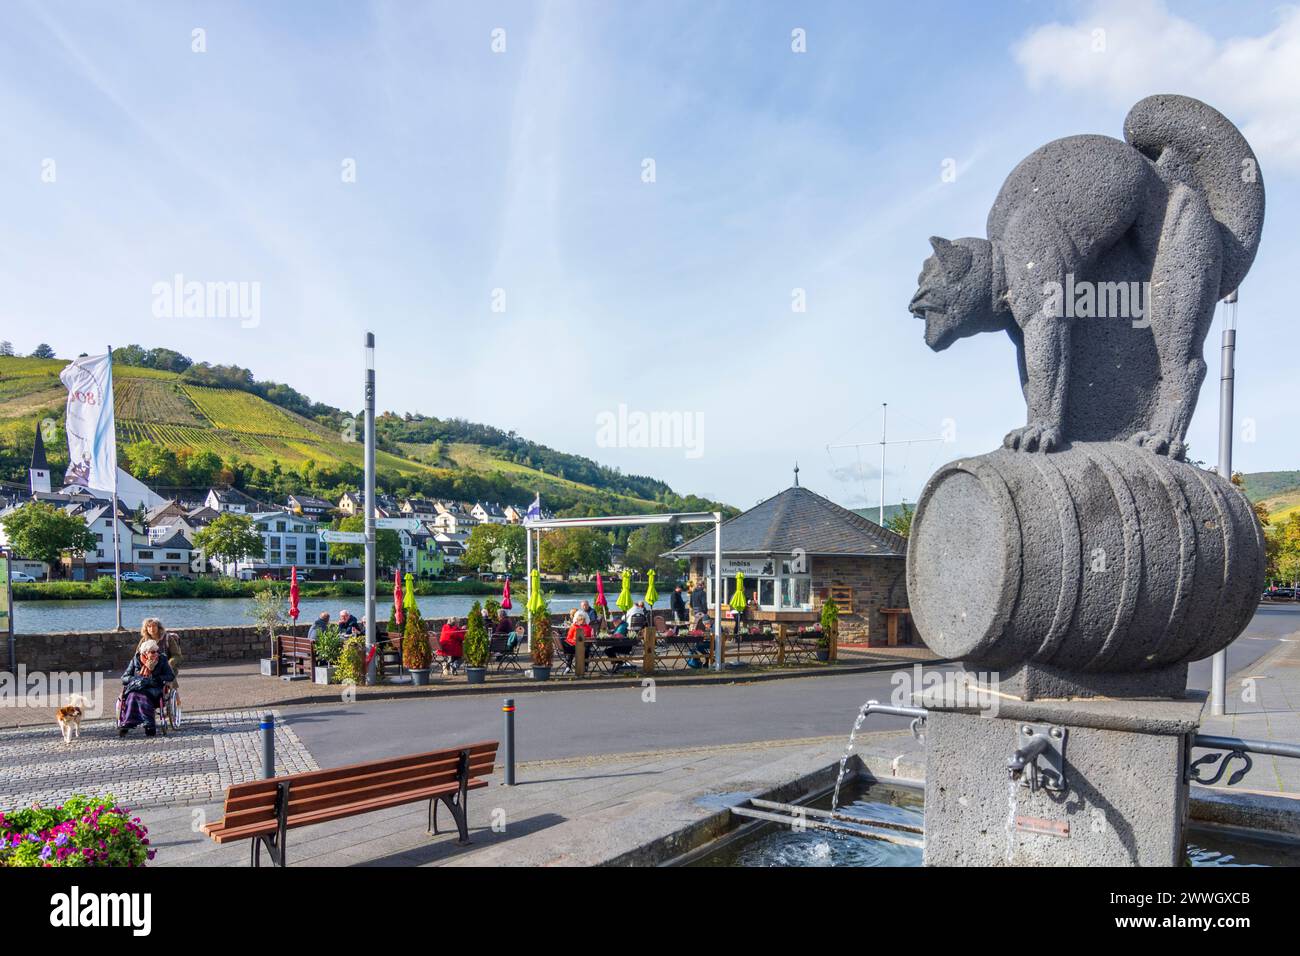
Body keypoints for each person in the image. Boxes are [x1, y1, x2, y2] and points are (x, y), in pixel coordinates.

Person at [119, 639, 175, 737]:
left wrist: (157, 678)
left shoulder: (162, 660)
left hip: (154, 689)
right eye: (152, 652)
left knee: (140, 696)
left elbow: (170, 676)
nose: (155, 654)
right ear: (145, 653)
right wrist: (136, 679)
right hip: (137, 687)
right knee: (132, 695)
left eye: (156, 651)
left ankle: (146, 724)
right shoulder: (135, 660)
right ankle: (136, 723)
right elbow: (124, 678)